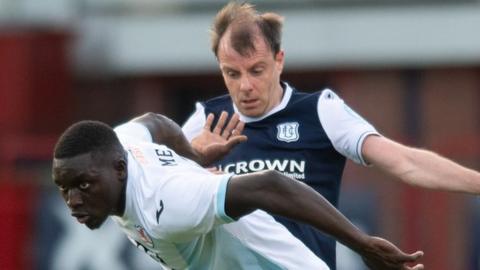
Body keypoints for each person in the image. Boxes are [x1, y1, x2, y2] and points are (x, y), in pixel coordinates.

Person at [181, 2, 480, 269]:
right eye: (232, 73)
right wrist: (190, 158)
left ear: (279, 60)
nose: (245, 85)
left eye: (256, 70)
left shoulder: (321, 111)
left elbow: (405, 162)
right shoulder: (204, 122)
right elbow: (151, 189)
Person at [51, 112, 425, 270]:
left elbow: (270, 184)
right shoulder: (120, 143)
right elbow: (156, 123)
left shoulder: (167, 203)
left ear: (119, 169)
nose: (74, 201)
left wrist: (363, 245)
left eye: (83, 185)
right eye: (64, 188)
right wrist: (192, 155)